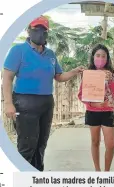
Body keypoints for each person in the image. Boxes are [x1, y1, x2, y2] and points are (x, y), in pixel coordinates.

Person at [2, 15, 84, 171]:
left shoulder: (50, 55)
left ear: (47, 33)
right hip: (25, 103)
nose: (40, 33)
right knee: (27, 144)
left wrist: (74, 71)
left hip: (46, 103)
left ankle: (38, 173)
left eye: (44, 30)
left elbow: (59, 77)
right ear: (29, 31)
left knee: (41, 143)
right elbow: (7, 78)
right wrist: (8, 103)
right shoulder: (18, 51)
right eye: (36, 29)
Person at [78, 44, 114, 171]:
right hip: (92, 112)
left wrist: (110, 81)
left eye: (103, 56)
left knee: (111, 145)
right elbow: (81, 94)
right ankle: (98, 171)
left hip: (107, 112)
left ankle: (106, 172)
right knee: (95, 142)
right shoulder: (88, 74)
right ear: (93, 57)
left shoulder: (111, 74)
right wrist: (92, 104)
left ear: (107, 59)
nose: (100, 58)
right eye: (98, 55)